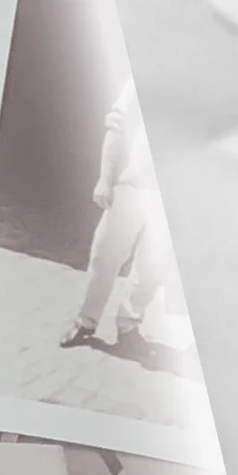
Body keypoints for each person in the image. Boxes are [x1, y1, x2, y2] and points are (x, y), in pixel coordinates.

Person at [62, 76, 178, 354]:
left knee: (151, 267)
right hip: (131, 186)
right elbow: (116, 127)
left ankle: (129, 326)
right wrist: (105, 178)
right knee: (105, 258)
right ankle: (85, 322)